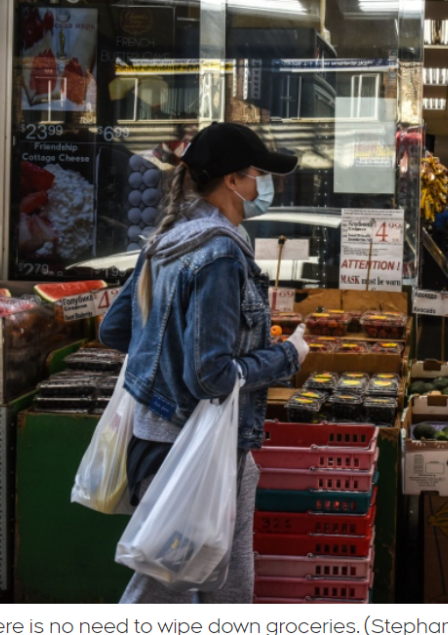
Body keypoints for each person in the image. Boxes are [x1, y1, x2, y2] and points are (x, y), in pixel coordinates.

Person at [99, 122, 310, 603]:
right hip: (194, 447)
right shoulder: (219, 255)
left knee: (189, 585)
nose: (263, 187)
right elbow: (212, 375)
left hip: (154, 438)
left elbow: (114, 329)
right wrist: (288, 355)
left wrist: (166, 347)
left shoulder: (165, 242)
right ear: (233, 182)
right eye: (257, 174)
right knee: (183, 591)